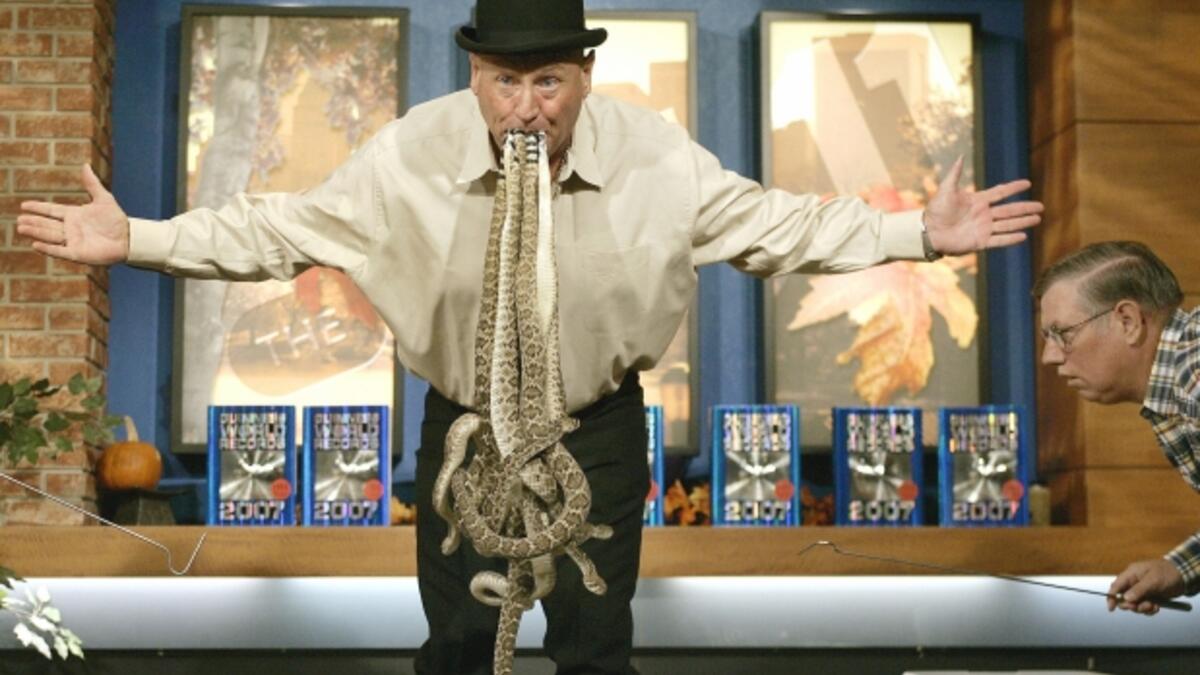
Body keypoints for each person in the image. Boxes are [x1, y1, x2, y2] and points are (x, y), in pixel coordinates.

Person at [18, 0, 1042, 671]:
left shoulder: (653, 154)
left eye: (547, 82)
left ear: (584, 76)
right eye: (505, 82)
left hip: (593, 424)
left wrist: (917, 230)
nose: (525, 108)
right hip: (463, 425)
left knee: (597, 647)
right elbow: (277, 228)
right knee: (460, 642)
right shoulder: (410, 154)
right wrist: (139, 238)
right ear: (475, 73)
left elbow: (783, 225)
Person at [1034, 240, 1197, 617]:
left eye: (1063, 333)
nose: (1050, 356)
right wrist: (1180, 569)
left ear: (1128, 321)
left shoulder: (1193, 377)